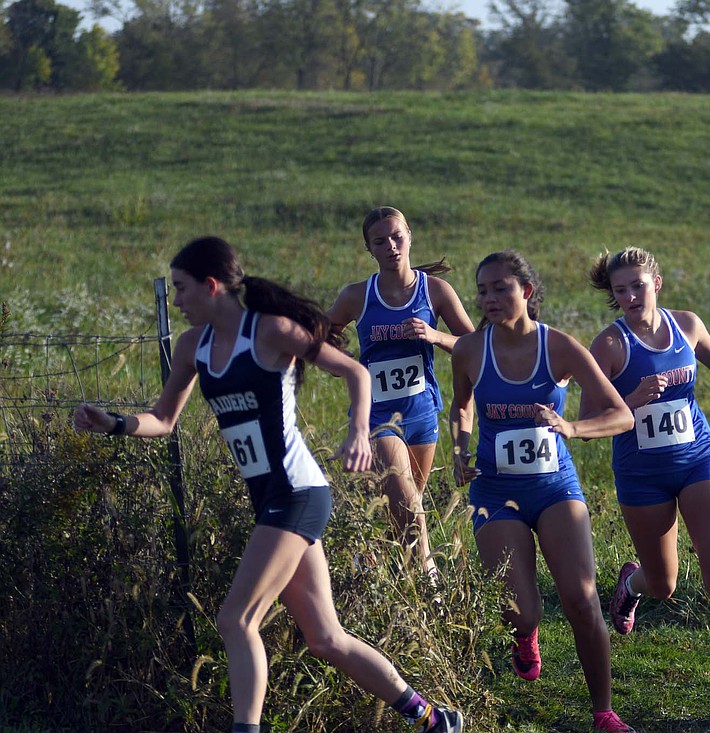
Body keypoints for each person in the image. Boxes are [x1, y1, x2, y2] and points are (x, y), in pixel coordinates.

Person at [73, 236, 463, 733]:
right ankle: (432, 717)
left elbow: (356, 373)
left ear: (212, 286)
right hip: (271, 501)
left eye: (181, 288)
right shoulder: (193, 347)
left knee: (235, 620)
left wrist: (359, 433)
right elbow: (163, 418)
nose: (176, 300)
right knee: (325, 638)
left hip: (297, 493)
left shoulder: (271, 331)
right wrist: (113, 423)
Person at [588, 246, 710, 728]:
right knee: (665, 584)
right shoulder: (609, 346)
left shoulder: (687, 325)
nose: (631, 296)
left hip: (698, 458)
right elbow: (591, 415)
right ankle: (631, 585)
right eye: (621, 290)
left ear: (657, 283)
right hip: (642, 473)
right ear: (613, 295)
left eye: (638, 285)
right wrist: (630, 400)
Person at [449, 251, 637, 733]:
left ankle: (603, 712)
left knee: (581, 600)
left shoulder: (560, 348)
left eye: (501, 288)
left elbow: (621, 415)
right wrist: (460, 449)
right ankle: (526, 634)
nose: (489, 298)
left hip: (554, 486)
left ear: (526, 292)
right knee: (522, 610)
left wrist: (570, 426)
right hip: (494, 490)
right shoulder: (469, 350)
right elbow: (461, 408)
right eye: (483, 290)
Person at [328, 206, 475, 577]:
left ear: (409, 236)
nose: (391, 246)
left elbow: (475, 347)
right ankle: (433, 591)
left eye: (397, 237)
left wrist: (435, 335)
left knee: (407, 515)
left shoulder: (436, 291)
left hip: (422, 415)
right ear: (369, 249)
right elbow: (321, 338)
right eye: (380, 242)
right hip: (377, 418)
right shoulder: (357, 296)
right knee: (411, 509)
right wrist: (343, 361)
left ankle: (382, 579)